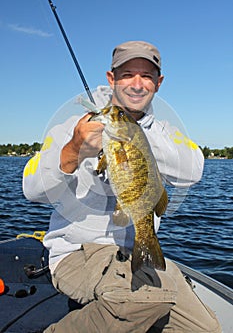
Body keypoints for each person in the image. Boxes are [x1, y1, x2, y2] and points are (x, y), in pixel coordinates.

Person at [23, 41, 221, 333]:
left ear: (158, 83)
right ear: (111, 78)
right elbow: (31, 190)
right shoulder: (74, 126)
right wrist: (74, 149)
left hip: (137, 249)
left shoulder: (165, 132)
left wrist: (135, 134)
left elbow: (193, 170)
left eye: (147, 76)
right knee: (141, 302)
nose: (137, 84)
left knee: (203, 328)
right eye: (127, 74)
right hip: (78, 252)